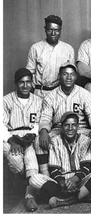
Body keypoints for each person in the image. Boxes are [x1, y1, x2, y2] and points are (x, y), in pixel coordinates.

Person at [29, 111, 91, 208]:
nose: (70, 128)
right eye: (66, 125)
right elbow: (54, 169)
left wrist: (74, 179)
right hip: (60, 183)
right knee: (34, 179)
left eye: (73, 125)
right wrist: (62, 183)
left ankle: (67, 200)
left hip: (81, 181)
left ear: (78, 127)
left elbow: (86, 167)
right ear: (61, 127)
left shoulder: (85, 140)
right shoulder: (55, 141)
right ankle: (84, 196)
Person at [34, 62, 91, 177]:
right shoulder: (51, 96)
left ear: (76, 76)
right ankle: (46, 177)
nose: (69, 77)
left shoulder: (84, 94)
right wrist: (44, 131)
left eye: (72, 74)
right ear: (59, 76)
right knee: (38, 140)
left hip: (80, 129)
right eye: (65, 74)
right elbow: (45, 118)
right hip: (58, 130)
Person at [3, 68, 43, 212]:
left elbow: (40, 122)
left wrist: (32, 134)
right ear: (16, 83)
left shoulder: (38, 100)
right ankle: (31, 184)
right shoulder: (6, 100)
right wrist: (11, 141)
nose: (25, 86)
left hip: (30, 136)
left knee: (31, 156)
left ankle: (29, 197)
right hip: (11, 136)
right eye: (21, 82)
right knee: (16, 161)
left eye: (28, 82)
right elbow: (1, 124)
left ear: (32, 83)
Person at [26, 15, 75, 98]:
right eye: (50, 30)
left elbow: (71, 74)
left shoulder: (68, 49)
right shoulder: (36, 48)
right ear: (45, 29)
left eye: (56, 30)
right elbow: (29, 73)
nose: (53, 33)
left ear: (60, 30)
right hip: (40, 93)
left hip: (60, 93)